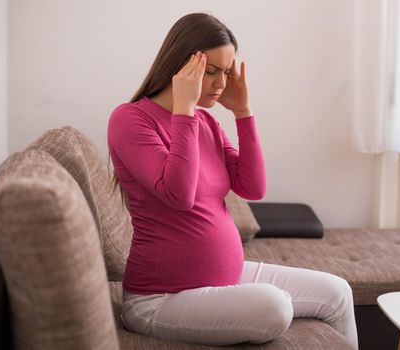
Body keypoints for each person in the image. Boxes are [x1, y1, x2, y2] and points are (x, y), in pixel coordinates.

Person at [107, 12, 358, 348]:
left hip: (226, 278)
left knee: (338, 291)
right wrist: (183, 112)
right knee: (276, 306)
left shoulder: (206, 123)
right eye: (211, 72)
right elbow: (178, 194)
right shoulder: (130, 119)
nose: (221, 83)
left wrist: (243, 113)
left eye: (225, 72)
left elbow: (252, 188)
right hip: (160, 298)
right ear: (179, 67)